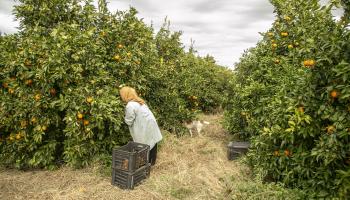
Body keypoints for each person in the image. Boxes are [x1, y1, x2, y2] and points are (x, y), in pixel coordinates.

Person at [119, 86, 163, 166]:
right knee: (151, 143)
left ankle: (145, 165)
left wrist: (123, 118)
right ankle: (151, 163)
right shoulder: (140, 102)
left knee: (144, 145)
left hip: (144, 127)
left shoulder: (130, 105)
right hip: (150, 125)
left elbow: (129, 121)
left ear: (125, 95)